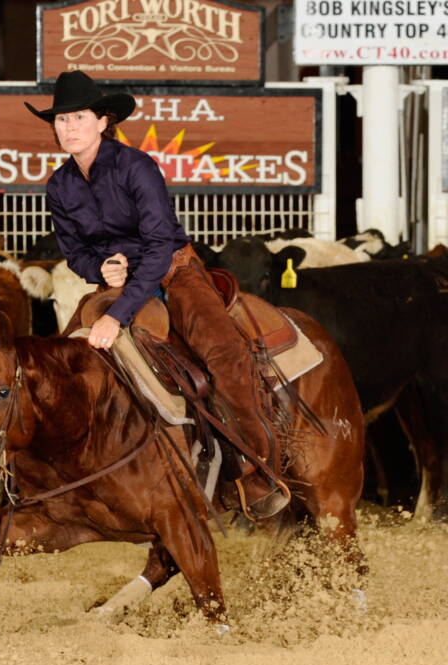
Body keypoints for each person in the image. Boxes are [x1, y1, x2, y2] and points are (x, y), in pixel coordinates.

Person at [25, 70, 290, 520]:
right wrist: (99, 267)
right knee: (68, 361)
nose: (69, 128)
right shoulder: (60, 185)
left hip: (172, 270)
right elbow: (75, 251)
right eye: (62, 120)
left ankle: (258, 466)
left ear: (102, 121)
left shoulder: (136, 167)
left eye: (79, 118)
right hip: (115, 280)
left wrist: (118, 315)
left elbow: (158, 245)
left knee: (223, 351)